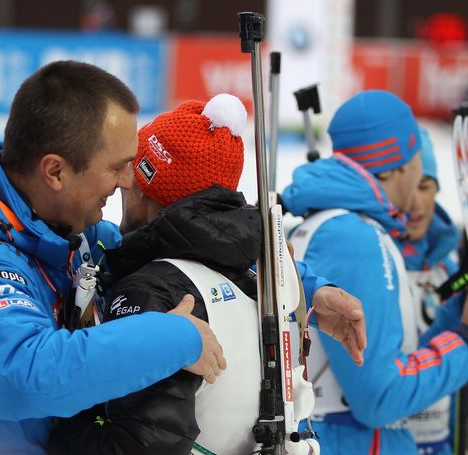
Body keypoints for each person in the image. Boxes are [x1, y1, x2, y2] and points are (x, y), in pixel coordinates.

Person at [0, 60, 228, 455]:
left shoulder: (67, 232)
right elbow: (29, 377)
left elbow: (169, 250)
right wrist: (176, 337)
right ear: (56, 172)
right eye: (116, 167)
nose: (129, 181)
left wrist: (297, 280)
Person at [49, 94, 367, 455]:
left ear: (149, 189)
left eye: (133, 174)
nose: (121, 183)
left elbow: (139, 447)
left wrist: (59, 426)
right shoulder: (264, 276)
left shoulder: (153, 289)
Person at [282, 90, 468, 454]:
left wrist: (454, 319)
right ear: (402, 163)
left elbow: (388, 359)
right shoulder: (354, 237)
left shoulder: (333, 224)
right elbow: (378, 398)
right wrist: (464, 339)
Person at [398, 129, 464, 454]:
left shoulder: (452, 266)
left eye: (425, 187)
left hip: (440, 442)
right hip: (389, 439)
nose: (415, 202)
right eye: (409, 187)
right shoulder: (377, 259)